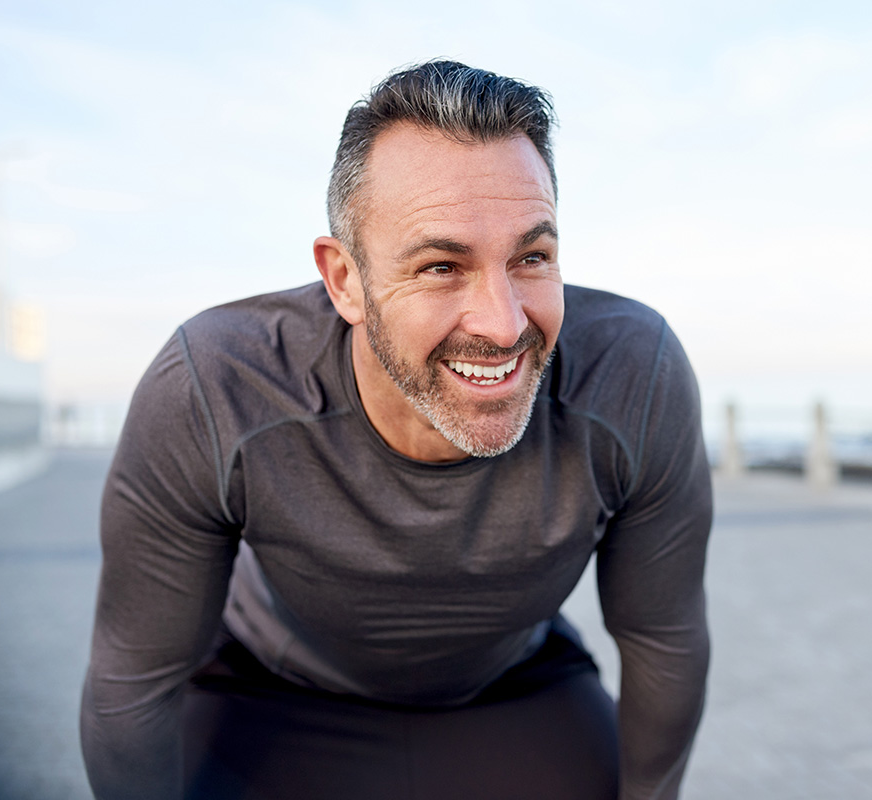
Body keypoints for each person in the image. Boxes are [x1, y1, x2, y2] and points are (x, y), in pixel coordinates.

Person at [81, 60, 712, 800]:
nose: (505, 324)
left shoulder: (633, 374)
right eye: (443, 266)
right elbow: (133, 680)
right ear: (345, 279)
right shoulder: (216, 386)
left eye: (531, 257)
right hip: (266, 687)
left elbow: (663, 642)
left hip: (513, 688)